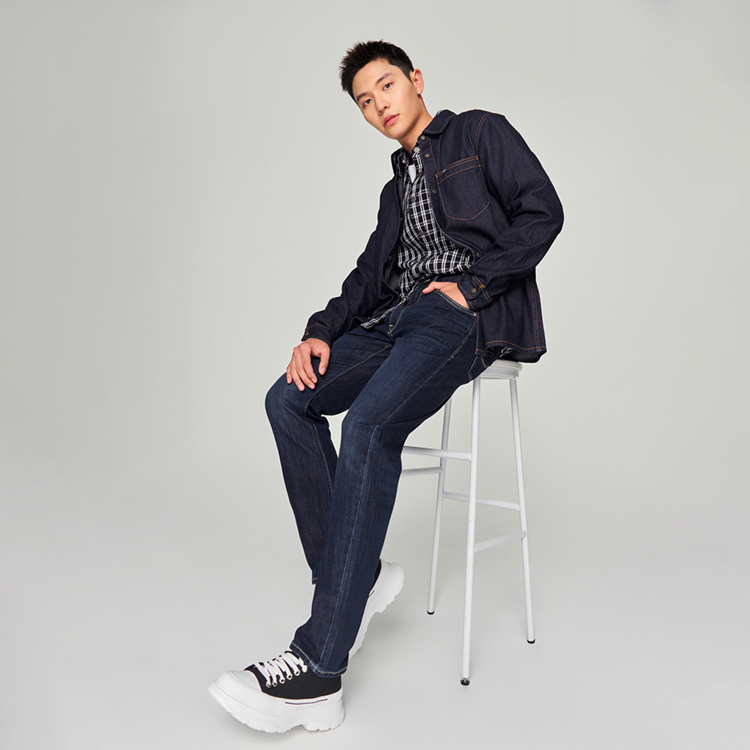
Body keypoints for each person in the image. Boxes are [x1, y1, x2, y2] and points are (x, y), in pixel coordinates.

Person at [209, 40, 563, 734]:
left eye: (387, 87)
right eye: (365, 103)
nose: (380, 107)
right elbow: (367, 278)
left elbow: (542, 210)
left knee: (369, 426)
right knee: (288, 398)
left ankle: (320, 666)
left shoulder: (479, 133)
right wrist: (318, 331)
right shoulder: (394, 188)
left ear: (416, 80)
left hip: (461, 318)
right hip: (394, 319)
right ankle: (358, 579)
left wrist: (472, 286)